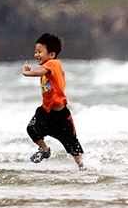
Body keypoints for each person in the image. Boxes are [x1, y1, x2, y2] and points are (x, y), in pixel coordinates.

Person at [22, 33, 84, 169]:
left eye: (40, 52)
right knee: (32, 129)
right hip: (46, 111)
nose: (36, 55)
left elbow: (39, 72)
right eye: (35, 51)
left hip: (61, 115)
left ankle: (83, 167)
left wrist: (27, 73)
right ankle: (44, 150)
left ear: (51, 54)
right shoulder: (48, 69)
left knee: (73, 147)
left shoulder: (53, 64)